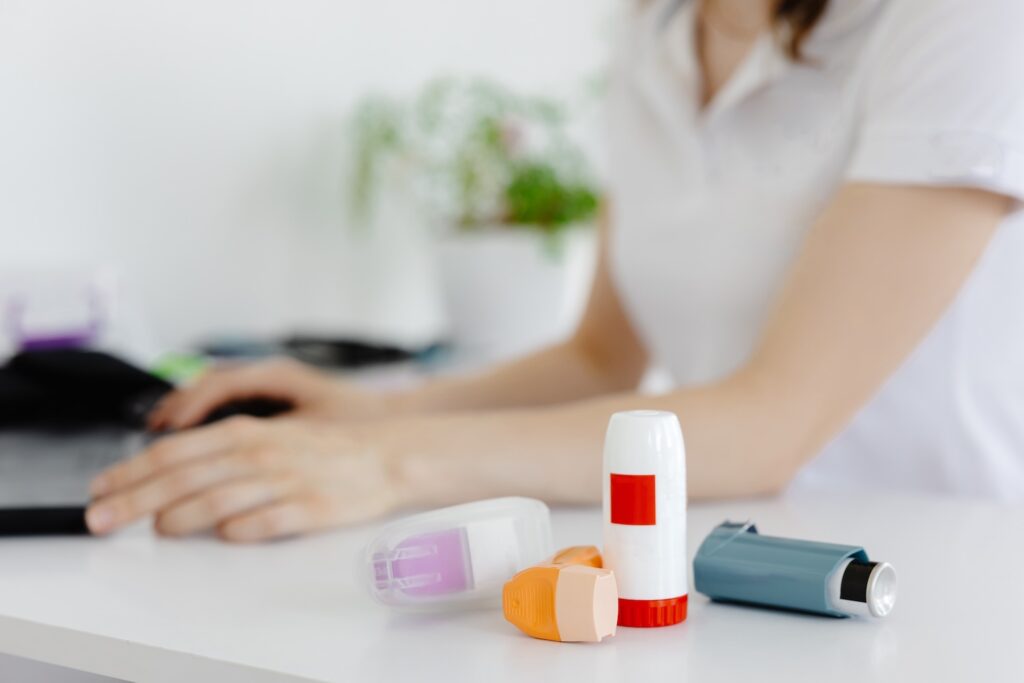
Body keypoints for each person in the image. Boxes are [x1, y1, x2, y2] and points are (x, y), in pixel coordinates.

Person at [86, 0, 1024, 541]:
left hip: (932, 571)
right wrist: (372, 410)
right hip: (721, 549)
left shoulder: (960, 22)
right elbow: (600, 356)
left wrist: (390, 462)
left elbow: (772, 422)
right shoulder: (655, 27)